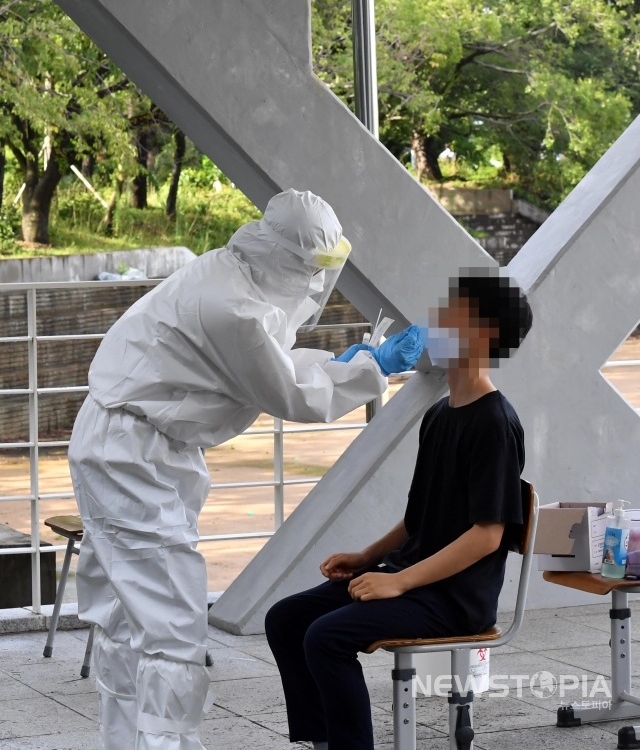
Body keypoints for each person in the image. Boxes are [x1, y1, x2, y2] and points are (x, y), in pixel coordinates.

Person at [68, 189, 423, 750]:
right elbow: (288, 391)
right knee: (171, 626)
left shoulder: (232, 273)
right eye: (315, 269)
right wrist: (370, 367)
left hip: (133, 444)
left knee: (128, 617)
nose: (316, 284)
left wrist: (353, 361)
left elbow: (268, 364)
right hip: (133, 454)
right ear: (293, 261)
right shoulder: (237, 310)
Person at [264, 272, 533, 750]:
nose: (437, 321)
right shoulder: (439, 414)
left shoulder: (494, 422)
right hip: (411, 578)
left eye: (454, 313)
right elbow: (418, 519)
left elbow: (487, 535)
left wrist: (399, 582)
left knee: (326, 638)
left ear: (485, 334)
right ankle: (322, 741)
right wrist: (367, 558)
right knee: (286, 618)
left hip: (453, 600)